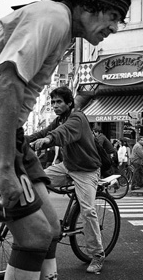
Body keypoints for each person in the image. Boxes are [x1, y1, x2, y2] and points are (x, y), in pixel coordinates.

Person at [0, 0, 131, 279]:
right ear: (87, 5)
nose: (114, 26)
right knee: (34, 236)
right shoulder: (53, 16)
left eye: (119, 19)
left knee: (52, 230)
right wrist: (4, 169)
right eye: (112, 14)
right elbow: (7, 84)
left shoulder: (60, 25)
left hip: (2, 127)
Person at [28, 86, 106, 274]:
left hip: (87, 170)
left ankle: (97, 255)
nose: (55, 105)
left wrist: (48, 141)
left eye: (59, 102)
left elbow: (61, 133)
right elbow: (42, 132)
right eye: (53, 102)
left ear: (69, 103)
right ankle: (45, 224)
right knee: (38, 180)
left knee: (87, 211)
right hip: (68, 167)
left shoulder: (77, 118)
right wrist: (18, 140)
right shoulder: (59, 119)